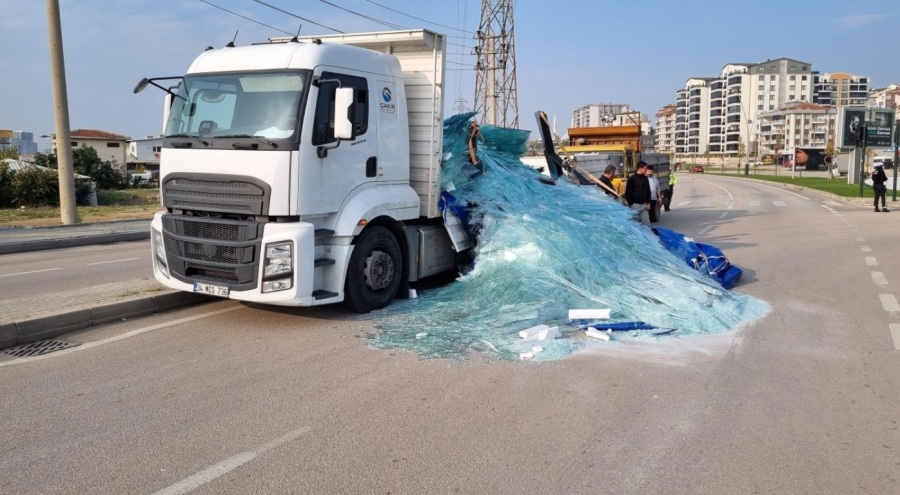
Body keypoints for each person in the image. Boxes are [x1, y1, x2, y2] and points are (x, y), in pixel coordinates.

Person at [624, 161, 651, 225]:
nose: (646, 170)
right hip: (635, 205)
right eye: (645, 168)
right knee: (636, 224)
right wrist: (631, 203)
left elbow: (648, 191)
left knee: (646, 223)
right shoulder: (632, 178)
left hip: (644, 205)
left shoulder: (645, 178)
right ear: (640, 168)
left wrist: (648, 203)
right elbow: (627, 193)